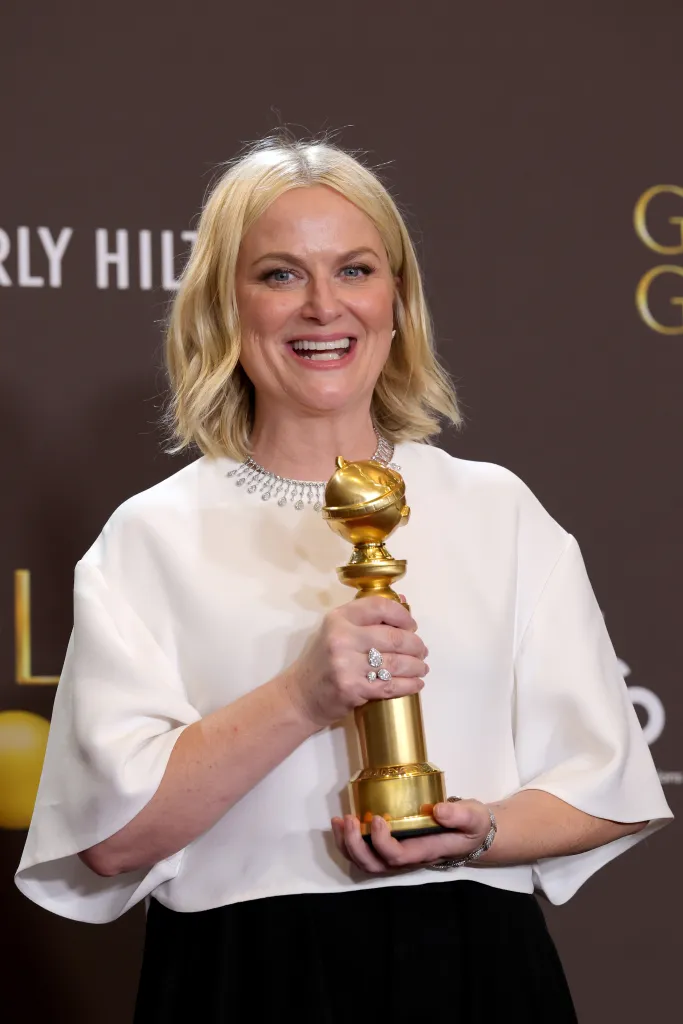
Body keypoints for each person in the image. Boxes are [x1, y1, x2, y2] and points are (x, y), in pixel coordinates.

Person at [16, 135, 672, 1022]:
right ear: (223, 304)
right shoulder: (150, 537)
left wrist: (475, 833)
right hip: (241, 979)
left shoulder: (498, 511)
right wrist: (300, 696)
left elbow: (607, 788)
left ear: (396, 299)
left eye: (354, 270)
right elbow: (110, 841)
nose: (323, 306)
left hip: (474, 969)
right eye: (280, 275)